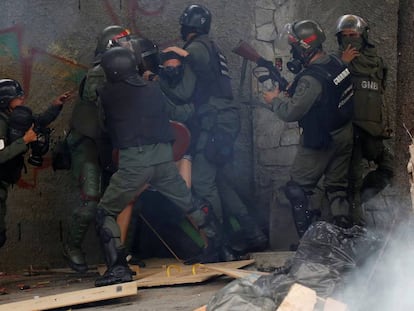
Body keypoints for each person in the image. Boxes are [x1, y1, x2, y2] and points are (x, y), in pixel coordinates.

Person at [94, 47, 226, 286]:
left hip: (134, 162)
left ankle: (118, 268)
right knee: (190, 202)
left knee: (105, 212)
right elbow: (174, 112)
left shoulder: (106, 93)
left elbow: (104, 127)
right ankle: (217, 248)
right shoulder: (154, 87)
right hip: (164, 159)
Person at [164, 4, 265, 257]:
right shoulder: (210, 45)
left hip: (214, 121)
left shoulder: (195, 48)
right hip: (225, 119)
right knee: (221, 180)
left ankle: (218, 243)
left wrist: (159, 82)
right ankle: (253, 233)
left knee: (202, 181)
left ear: (186, 26)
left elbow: (184, 93)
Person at [263, 20, 355, 236]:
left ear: (304, 47)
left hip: (321, 139)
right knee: (337, 188)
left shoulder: (311, 79)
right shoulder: (336, 62)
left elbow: (291, 112)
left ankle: (308, 244)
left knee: (297, 190)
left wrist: (274, 100)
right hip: (344, 133)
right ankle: (344, 240)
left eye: (294, 47)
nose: (292, 51)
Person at [62, 25, 134, 273]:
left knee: (118, 199)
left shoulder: (122, 72)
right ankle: (72, 247)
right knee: (90, 200)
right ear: (112, 46)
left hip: (107, 144)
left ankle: (118, 255)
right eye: (124, 42)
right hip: (89, 144)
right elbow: (101, 106)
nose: (129, 47)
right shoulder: (99, 72)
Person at [335, 14, 394, 225]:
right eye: (345, 36)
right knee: (353, 182)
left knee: (391, 168)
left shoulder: (377, 63)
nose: (350, 39)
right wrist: (343, 64)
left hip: (373, 131)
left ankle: (357, 203)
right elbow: (330, 87)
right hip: (351, 131)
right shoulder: (336, 62)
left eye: (354, 35)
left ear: (364, 36)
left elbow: (380, 96)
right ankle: (355, 226)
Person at [0, 78, 71, 248]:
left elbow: (37, 121)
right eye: (18, 97)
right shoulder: (1, 122)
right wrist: (24, 141)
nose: (22, 99)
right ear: (6, 100)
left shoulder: (15, 117)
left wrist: (56, 106)